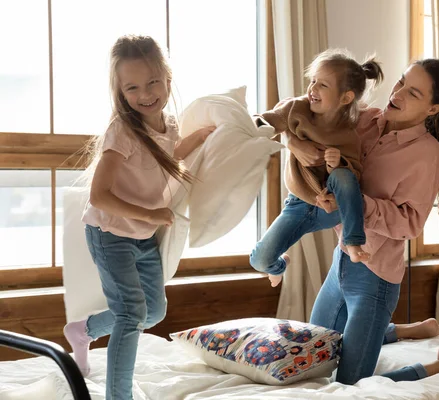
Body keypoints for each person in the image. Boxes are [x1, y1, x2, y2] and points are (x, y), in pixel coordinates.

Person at [286, 58, 439, 384]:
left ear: (433, 109)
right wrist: (293, 142)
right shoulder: (363, 120)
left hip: (376, 279)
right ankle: (409, 329)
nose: (399, 93)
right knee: (313, 355)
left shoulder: (426, 154)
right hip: (342, 263)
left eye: (414, 93)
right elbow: (295, 116)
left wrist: (353, 202)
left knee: (353, 384)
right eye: (402, 81)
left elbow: (410, 223)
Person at [63, 34, 215, 400]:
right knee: (132, 314)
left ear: (167, 77)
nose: (145, 94)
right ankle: (120, 396)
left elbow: (169, 153)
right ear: (119, 90)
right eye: (132, 87)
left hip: (143, 235)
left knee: (154, 311)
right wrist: (150, 212)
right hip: (109, 233)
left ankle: (83, 330)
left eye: (152, 82)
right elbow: (99, 196)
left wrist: (206, 137)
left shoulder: (169, 124)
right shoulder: (122, 131)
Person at [250, 49, 383, 287]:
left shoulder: (348, 134)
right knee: (260, 260)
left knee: (343, 176)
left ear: (345, 98)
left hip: (330, 208)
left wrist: (336, 165)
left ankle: (354, 243)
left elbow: (353, 176)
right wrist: (251, 126)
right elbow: (270, 121)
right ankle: (280, 265)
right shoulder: (295, 109)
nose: (312, 89)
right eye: (312, 81)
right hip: (299, 204)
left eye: (322, 85)